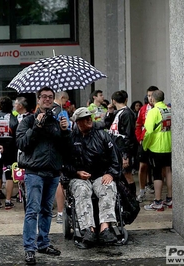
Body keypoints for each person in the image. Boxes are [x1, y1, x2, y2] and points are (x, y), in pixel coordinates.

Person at [16, 86, 70, 265]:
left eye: (50, 97)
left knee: (47, 210)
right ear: (38, 99)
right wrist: (37, 126)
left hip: (53, 172)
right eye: (44, 97)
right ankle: (29, 248)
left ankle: (43, 243)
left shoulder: (57, 121)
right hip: (34, 173)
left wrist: (65, 132)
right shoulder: (28, 121)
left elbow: (65, 149)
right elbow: (22, 144)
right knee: (32, 210)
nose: (47, 100)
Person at [64, 107, 122, 248]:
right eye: (84, 118)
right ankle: (88, 230)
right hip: (78, 177)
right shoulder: (70, 139)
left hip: (100, 175)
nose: (89, 119)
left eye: (89, 117)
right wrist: (77, 173)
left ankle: (105, 228)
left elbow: (116, 159)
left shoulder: (102, 135)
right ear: (78, 122)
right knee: (82, 191)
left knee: (108, 186)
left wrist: (110, 173)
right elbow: (64, 164)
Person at [143, 90, 172, 211]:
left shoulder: (153, 111)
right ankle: (170, 199)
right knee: (168, 171)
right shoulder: (169, 109)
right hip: (169, 144)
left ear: (153, 99)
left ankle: (158, 201)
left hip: (156, 146)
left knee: (157, 174)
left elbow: (149, 130)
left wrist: (145, 145)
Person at [104, 90, 138, 195]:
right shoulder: (117, 113)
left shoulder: (127, 113)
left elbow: (129, 135)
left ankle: (131, 197)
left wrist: (125, 155)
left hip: (123, 148)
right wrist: (109, 113)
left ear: (113, 101)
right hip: (116, 147)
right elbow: (107, 125)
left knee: (127, 174)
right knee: (120, 174)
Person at [135, 86, 159, 202]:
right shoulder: (143, 109)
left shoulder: (162, 109)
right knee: (142, 166)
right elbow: (138, 125)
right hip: (145, 141)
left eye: (152, 95)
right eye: (148, 95)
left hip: (158, 142)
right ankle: (142, 191)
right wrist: (139, 138)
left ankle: (158, 195)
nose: (150, 98)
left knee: (159, 169)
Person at [51, 91, 71, 223]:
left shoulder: (47, 110)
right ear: (62, 98)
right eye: (66, 101)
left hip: (48, 150)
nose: (66, 104)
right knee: (60, 181)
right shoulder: (61, 112)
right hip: (60, 149)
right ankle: (60, 212)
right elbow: (67, 129)